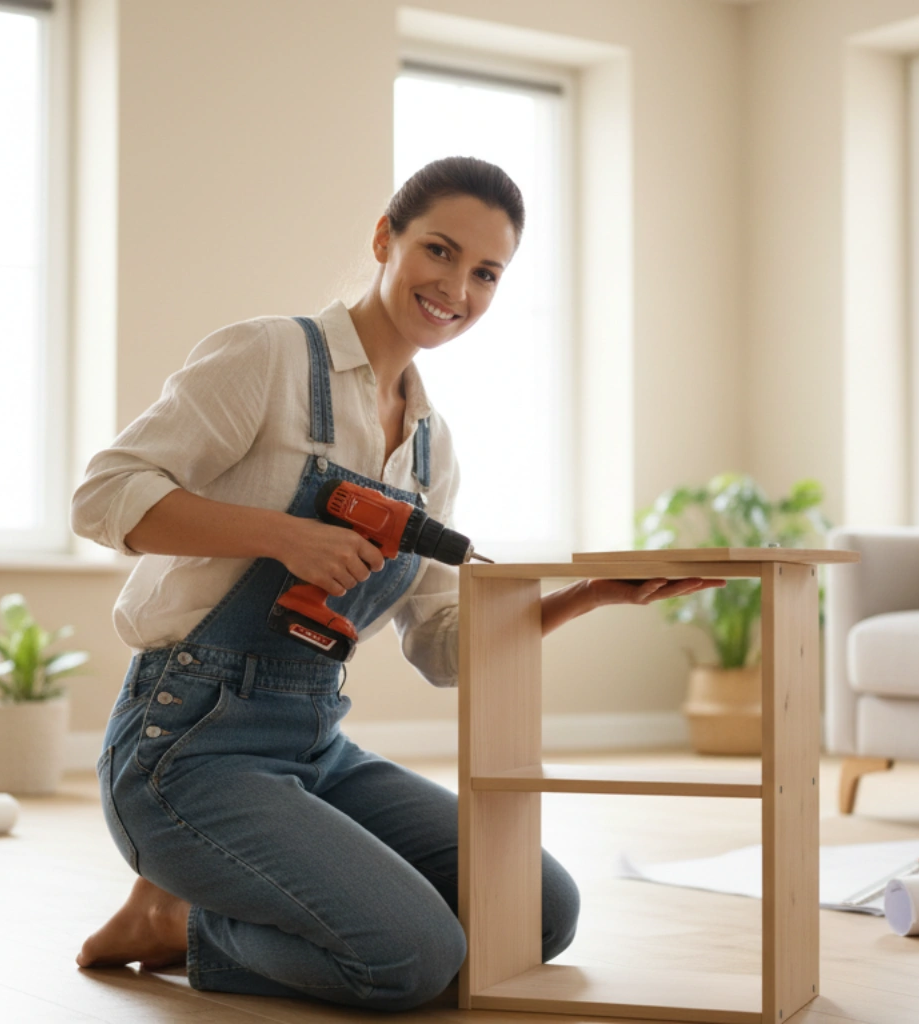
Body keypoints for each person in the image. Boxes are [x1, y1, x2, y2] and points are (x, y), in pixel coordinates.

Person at [70, 156, 722, 1011]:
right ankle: (182, 921)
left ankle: (206, 899)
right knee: (413, 959)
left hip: (314, 744)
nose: (457, 287)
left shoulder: (429, 447)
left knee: (538, 914)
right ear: (386, 238)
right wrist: (286, 536)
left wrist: (585, 596)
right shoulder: (268, 356)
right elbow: (104, 496)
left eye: (486, 272)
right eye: (440, 252)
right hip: (184, 746)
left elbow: (444, 650)